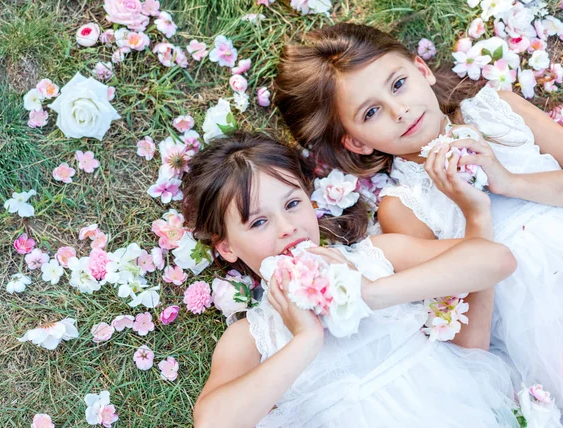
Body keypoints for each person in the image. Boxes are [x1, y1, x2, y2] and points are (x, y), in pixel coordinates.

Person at [274, 22, 563, 402]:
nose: (400, 110)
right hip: (542, 323)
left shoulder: (499, 110)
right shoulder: (403, 207)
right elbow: (468, 342)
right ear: (357, 142)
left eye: (398, 84)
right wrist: (477, 216)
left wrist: (508, 181)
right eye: (372, 112)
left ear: (421, 70)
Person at [186, 133, 519, 427]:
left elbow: (495, 258)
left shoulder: (374, 257)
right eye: (258, 222)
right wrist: (305, 338)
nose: (287, 227)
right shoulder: (251, 336)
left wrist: (372, 291)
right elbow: (214, 421)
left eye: (292, 204)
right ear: (227, 247)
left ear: (310, 200)